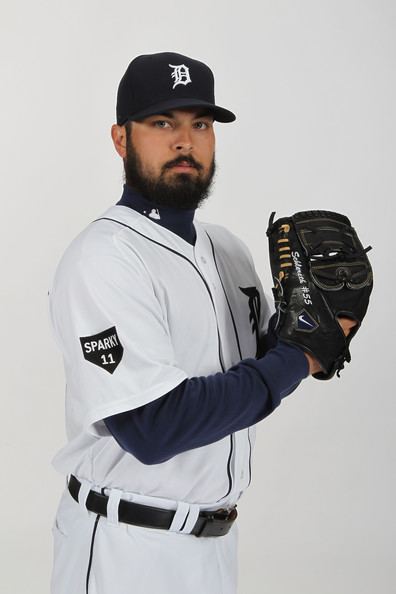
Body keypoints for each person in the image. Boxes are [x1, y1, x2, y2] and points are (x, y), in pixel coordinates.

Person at [49, 52, 355, 594]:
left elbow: (260, 370)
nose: (184, 141)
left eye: (200, 124)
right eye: (162, 123)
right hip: (125, 548)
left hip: (216, 548)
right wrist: (299, 355)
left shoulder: (229, 249)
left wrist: (325, 329)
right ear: (121, 139)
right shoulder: (104, 258)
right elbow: (154, 426)